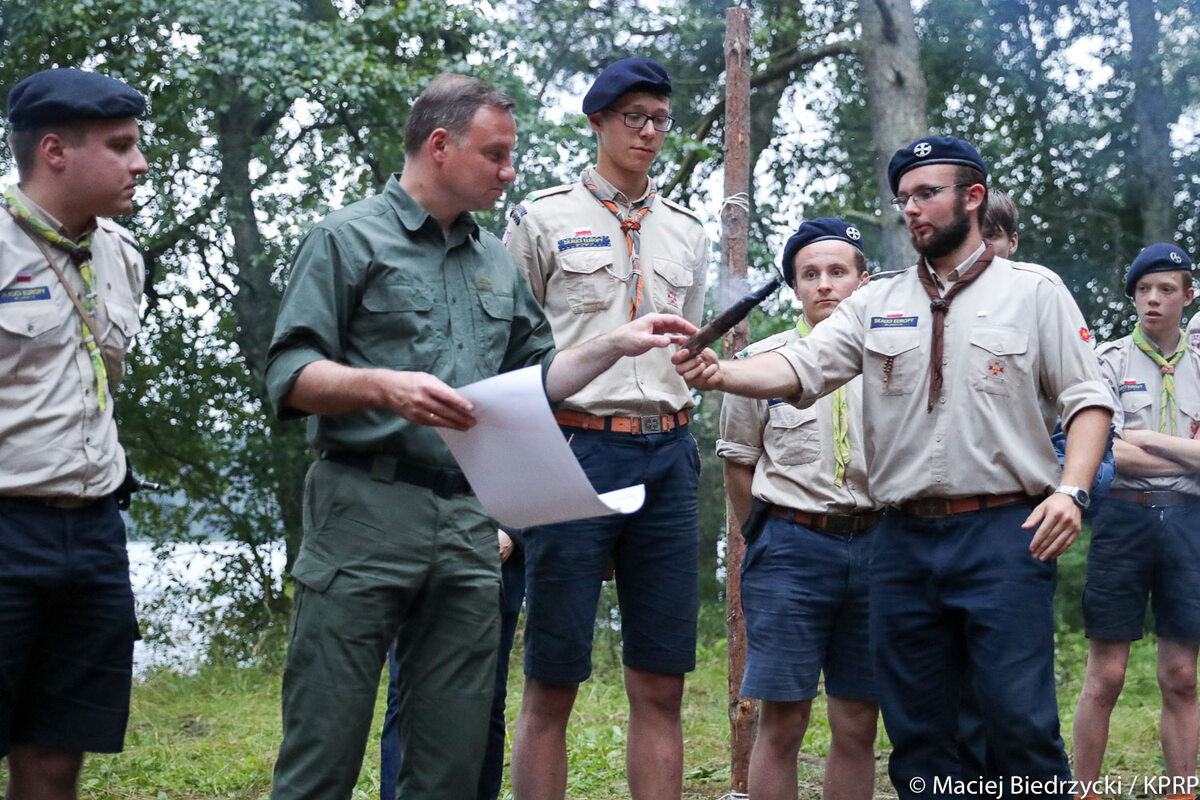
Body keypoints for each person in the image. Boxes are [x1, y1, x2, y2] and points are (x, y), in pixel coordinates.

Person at [263, 73, 696, 800]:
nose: (509, 171)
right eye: (495, 155)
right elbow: (289, 372)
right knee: (322, 750)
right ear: (440, 146)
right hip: (365, 513)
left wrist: (615, 345)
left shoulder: (492, 258)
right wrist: (383, 385)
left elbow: (538, 377)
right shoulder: (346, 238)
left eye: (512, 154)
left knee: (453, 763)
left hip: (469, 525)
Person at [673, 135, 1114, 800]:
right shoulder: (875, 303)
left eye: (927, 193)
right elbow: (801, 366)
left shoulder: (1034, 292)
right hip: (900, 541)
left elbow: (1088, 402)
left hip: (1003, 534)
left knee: (1017, 720)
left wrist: (1073, 491)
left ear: (973, 198)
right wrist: (721, 372)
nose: (912, 209)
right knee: (919, 735)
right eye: (904, 198)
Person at [503, 58, 709, 800]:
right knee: (552, 677)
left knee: (662, 680)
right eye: (633, 117)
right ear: (596, 122)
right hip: (572, 447)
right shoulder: (541, 218)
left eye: (659, 118)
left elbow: (691, 349)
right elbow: (509, 354)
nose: (649, 132)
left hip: (669, 452)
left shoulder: (686, 230)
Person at [0, 68, 147, 800]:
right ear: (54, 150)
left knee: (57, 757)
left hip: (93, 533)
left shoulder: (122, 254)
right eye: (120, 146)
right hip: (4, 524)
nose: (140, 164)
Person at [953, 188, 1117, 781]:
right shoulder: (933, 310)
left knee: (1015, 692)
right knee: (955, 699)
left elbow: (1094, 426)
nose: (985, 248)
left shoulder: (1040, 301)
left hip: (1019, 514)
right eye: (976, 235)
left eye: (995, 236)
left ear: (1012, 242)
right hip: (940, 525)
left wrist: (1066, 492)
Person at [717, 218, 880, 800]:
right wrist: (760, 535)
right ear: (794, 287)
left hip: (878, 545)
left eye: (839, 271)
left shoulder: (891, 365)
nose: (825, 285)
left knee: (859, 716)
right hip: (789, 547)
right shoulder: (762, 363)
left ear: (865, 281)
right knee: (783, 718)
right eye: (809, 274)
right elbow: (738, 462)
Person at [1072, 243, 1200, 800]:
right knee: (1108, 675)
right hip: (1124, 521)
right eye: (1144, 290)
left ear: (1187, 296)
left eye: (1166, 289)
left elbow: (1128, 443)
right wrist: (1180, 452)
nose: (1153, 299)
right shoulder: (1108, 362)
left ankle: (1181, 790)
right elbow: (1106, 451)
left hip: (1191, 523)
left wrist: (1143, 436)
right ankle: (1084, 791)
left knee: (1182, 675)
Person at [379, 527, 525, 800]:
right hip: (414, 540)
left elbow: (541, 483)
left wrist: (512, 532)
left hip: (494, 548)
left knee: (486, 697)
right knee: (407, 694)